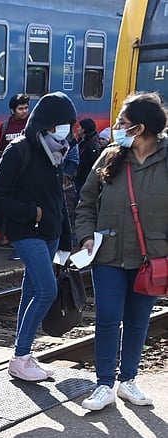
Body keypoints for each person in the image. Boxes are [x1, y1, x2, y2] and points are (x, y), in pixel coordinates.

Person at [76, 92, 167, 410]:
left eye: (122, 123)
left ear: (139, 128)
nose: (115, 127)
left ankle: (128, 380)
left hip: (151, 257)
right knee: (108, 317)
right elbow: (86, 201)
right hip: (108, 253)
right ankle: (104, 384)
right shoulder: (110, 157)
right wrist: (86, 235)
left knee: (139, 319)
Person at [0, 91, 75, 382]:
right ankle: (21, 355)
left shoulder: (58, 150)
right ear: (47, 125)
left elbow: (58, 198)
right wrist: (33, 213)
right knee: (46, 290)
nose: (67, 132)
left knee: (31, 288)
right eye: (62, 125)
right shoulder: (19, 150)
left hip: (50, 232)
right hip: (26, 232)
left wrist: (65, 239)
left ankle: (21, 354)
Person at [74, 118, 102, 194]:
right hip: (79, 178)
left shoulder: (93, 144)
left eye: (79, 127)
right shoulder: (80, 141)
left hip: (86, 179)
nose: (77, 129)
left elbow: (95, 163)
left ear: (83, 130)